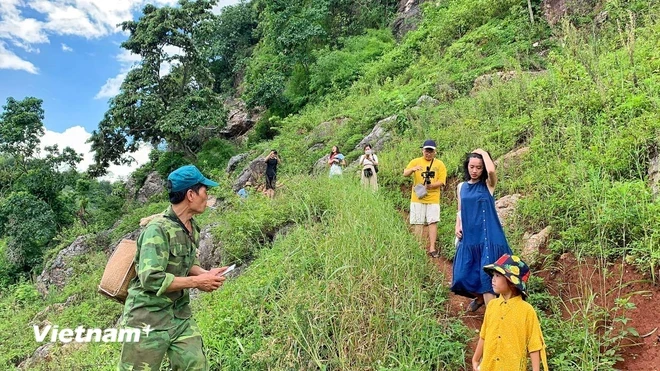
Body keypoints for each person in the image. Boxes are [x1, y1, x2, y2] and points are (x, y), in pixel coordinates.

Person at [118, 165, 230, 371]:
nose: (208, 196)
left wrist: (205, 274)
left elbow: (187, 263)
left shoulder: (190, 227)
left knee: (196, 365)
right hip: (148, 320)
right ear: (190, 194)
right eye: (205, 190)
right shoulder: (157, 230)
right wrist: (197, 283)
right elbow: (151, 278)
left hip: (178, 316)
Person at [451, 149, 512, 312]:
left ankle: (492, 321)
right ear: (467, 167)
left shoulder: (488, 185)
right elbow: (460, 209)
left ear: (483, 168)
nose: (475, 170)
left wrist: (483, 152)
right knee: (461, 276)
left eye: (479, 167)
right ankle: (479, 298)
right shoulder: (461, 187)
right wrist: (458, 225)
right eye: (472, 166)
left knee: (486, 277)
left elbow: (492, 170)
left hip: (488, 236)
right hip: (470, 237)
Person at [472, 254, 548, 371]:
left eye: (498, 275)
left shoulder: (526, 311)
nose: (493, 279)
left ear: (511, 282)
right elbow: (484, 335)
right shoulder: (492, 305)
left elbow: (534, 345)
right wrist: (476, 359)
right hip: (488, 366)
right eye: (493, 275)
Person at [402, 139, 447, 258]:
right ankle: (417, 246)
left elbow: (442, 181)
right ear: (422, 150)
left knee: (432, 222)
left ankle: (432, 247)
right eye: (426, 151)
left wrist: (431, 186)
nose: (428, 153)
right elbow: (405, 173)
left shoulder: (439, 164)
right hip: (417, 198)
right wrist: (412, 169)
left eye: (430, 151)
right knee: (418, 222)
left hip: (433, 198)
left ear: (435, 152)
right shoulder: (415, 161)